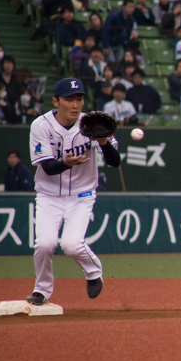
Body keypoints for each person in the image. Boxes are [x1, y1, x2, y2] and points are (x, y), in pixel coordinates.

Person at [25, 78, 121, 306]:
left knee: (71, 244)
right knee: (45, 244)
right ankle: (42, 290)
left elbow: (115, 162)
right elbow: (47, 167)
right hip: (49, 195)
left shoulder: (91, 124)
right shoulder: (41, 125)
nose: (75, 105)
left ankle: (93, 271)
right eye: (69, 100)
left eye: (79, 99)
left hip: (82, 195)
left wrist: (104, 142)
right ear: (56, 101)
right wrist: (66, 163)